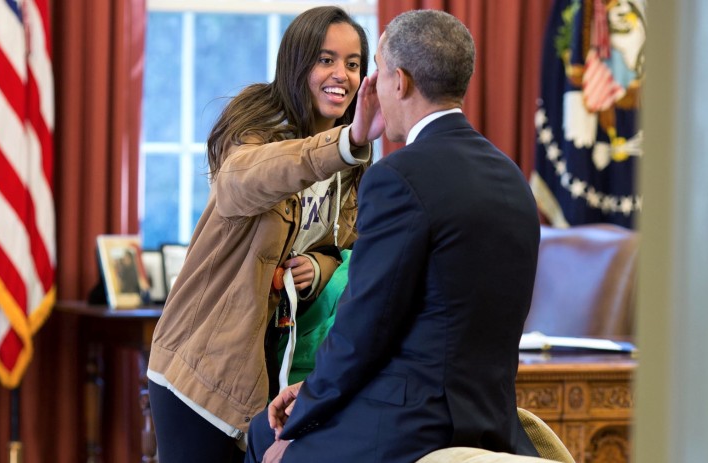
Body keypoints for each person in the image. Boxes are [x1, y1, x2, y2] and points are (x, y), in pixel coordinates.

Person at [245, 9, 542, 463]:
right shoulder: (511, 178)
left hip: (409, 428)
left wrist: (305, 415)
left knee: (262, 437)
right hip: (492, 423)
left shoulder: (398, 178)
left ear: (399, 82)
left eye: (376, 73)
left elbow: (365, 324)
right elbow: (431, 322)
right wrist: (316, 389)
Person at [146, 6, 383, 463]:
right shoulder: (257, 132)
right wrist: (343, 145)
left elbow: (344, 242)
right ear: (298, 65)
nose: (342, 75)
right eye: (326, 60)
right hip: (200, 372)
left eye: (353, 64)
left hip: (268, 374)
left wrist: (320, 265)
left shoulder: (352, 157)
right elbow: (239, 185)